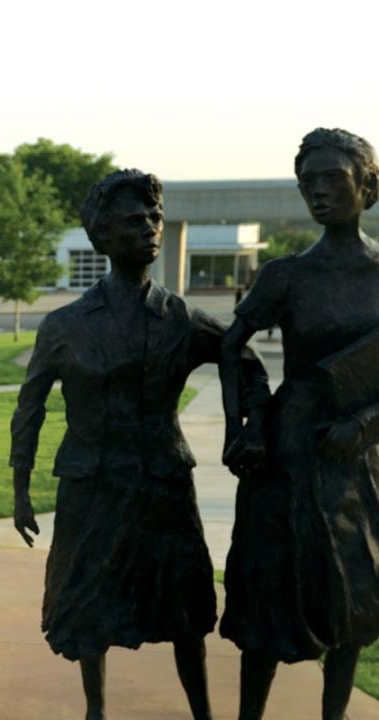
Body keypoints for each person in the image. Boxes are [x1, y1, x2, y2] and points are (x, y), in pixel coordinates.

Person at [11, 170, 269, 720]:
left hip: (162, 482)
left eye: (155, 218)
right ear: (102, 236)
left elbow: (244, 365)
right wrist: (20, 486)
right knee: (88, 604)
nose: (151, 228)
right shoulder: (64, 325)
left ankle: (202, 712)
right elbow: (29, 406)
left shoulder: (179, 318)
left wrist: (244, 430)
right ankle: (95, 711)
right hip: (93, 483)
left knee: (183, 608)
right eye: (135, 220)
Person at [219, 128, 379, 720]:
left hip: (358, 458)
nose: (319, 192)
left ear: (368, 185)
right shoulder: (287, 275)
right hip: (288, 450)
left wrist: (363, 428)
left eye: (332, 179)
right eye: (307, 182)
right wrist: (249, 422)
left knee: (352, 595)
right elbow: (233, 345)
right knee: (269, 589)